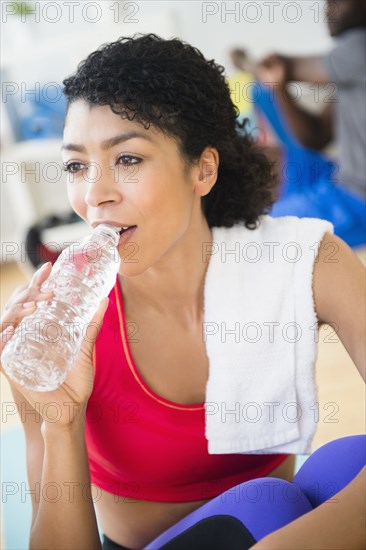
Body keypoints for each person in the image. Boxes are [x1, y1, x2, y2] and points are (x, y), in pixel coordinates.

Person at [0, 33, 365, 550]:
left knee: (346, 463)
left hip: (268, 534)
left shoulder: (302, 263)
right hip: (190, 535)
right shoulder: (55, 329)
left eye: (127, 159)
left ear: (203, 168)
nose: (95, 194)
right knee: (267, 504)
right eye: (76, 165)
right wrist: (59, 423)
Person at [231, 0, 366, 201]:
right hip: (347, 193)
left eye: (337, 1)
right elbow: (316, 137)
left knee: (269, 225)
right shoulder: (350, 80)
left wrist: (244, 63)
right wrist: (278, 87)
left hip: (356, 199)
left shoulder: (359, 46)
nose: (328, 9)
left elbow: (282, 66)